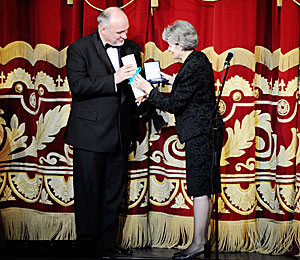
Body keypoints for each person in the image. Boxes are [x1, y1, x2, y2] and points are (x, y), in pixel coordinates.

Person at [132, 20, 224, 260]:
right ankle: (201, 240)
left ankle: (198, 243)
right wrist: (169, 80)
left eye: (171, 46)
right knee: (203, 187)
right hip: (204, 131)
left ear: (181, 45)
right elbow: (190, 88)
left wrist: (147, 89)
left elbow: (174, 104)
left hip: (201, 134)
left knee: (200, 189)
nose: (169, 50)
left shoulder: (192, 66)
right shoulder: (197, 60)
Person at [64, 7, 142, 258]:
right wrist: (114, 79)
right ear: (103, 29)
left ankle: (107, 246)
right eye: (120, 31)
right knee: (89, 194)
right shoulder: (79, 49)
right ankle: (88, 246)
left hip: (119, 133)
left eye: (126, 30)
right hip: (89, 134)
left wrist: (142, 95)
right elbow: (78, 86)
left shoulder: (131, 48)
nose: (125, 35)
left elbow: (133, 86)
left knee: (113, 193)